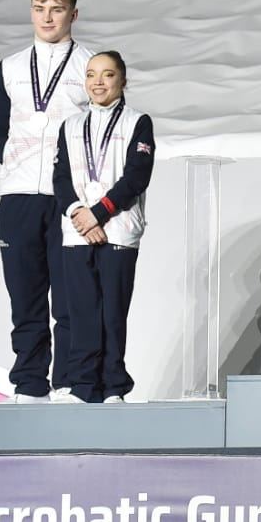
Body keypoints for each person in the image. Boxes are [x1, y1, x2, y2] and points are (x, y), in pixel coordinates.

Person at [0, 0, 93, 402]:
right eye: (39, 8)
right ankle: (29, 385)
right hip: (18, 199)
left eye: (57, 9)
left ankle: (67, 382)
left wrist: (74, 182)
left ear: (73, 14)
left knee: (68, 299)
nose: (47, 18)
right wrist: (17, 163)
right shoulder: (9, 67)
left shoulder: (89, 65)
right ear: (31, 10)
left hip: (69, 202)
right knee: (25, 298)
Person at [54, 52, 155, 404]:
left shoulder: (137, 122)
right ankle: (83, 386)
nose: (98, 81)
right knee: (81, 312)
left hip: (119, 231)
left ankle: (113, 387)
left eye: (108, 74)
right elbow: (61, 177)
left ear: (122, 81)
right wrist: (79, 214)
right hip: (77, 232)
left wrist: (99, 212)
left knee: (112, 313)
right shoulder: (69, 125)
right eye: (92, 74)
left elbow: (136, 177)